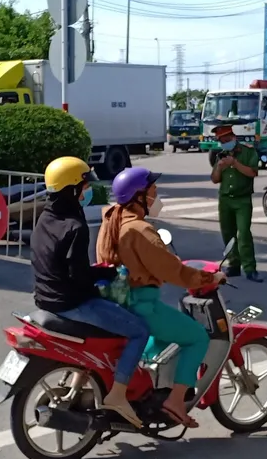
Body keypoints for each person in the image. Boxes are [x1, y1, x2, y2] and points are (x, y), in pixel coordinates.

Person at [96, 167, 226, 428]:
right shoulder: (140, 230)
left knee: (160, 340)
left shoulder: (111, 219)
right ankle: (176, 401)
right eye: (153, 192)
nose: (157, 198)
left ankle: (148, 390)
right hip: (142, 305)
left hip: (117, 302)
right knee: (197, 336)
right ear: (139, 197)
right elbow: (174, 271)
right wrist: (209, 278)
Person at [30, 156, 150, 429]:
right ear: (72, 190)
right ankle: (118, 394)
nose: (86, 193)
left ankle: (91, 377)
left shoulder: (46, 218)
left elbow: (59, 264)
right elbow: (80, 278)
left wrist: (95, 272)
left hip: (45, 299)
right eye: (84, 188)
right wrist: (106, 275)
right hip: (70, 303)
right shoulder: (75, 226)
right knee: (139, 330)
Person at [210, 125, 263, 282]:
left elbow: (253, 172)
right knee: (228, 234)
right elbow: (214, 179)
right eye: (221, 141)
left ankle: (250, 268)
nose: (224, 143)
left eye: (226, 140)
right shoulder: (220, 155)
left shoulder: (248, 151)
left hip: (242, 199)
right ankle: (234, 264)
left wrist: (234, 163)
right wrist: (219, 167)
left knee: (244, 233)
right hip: (225, 199)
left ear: (233, 137)